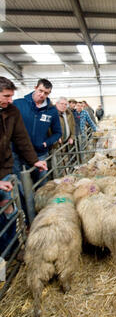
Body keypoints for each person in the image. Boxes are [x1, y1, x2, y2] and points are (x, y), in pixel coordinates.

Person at [0, 77, 47, 257]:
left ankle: (11, 252)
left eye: (11, 96)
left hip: (4, 168)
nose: (10, 100)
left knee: (10, 211)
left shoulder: (11, 111)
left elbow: (21, 138)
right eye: (6, 96)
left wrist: (34, 160)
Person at [13, 79, 61, 187]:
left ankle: (39, 204)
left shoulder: (52, 111)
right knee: (20, 187)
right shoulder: (19, 104)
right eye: (40, 90)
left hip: (39, 154)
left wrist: (46, 143)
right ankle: (25, 204)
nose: (42, 95)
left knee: (40, 184)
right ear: (35, 88)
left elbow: (58, 133)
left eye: (46, 93)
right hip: (18, 154)